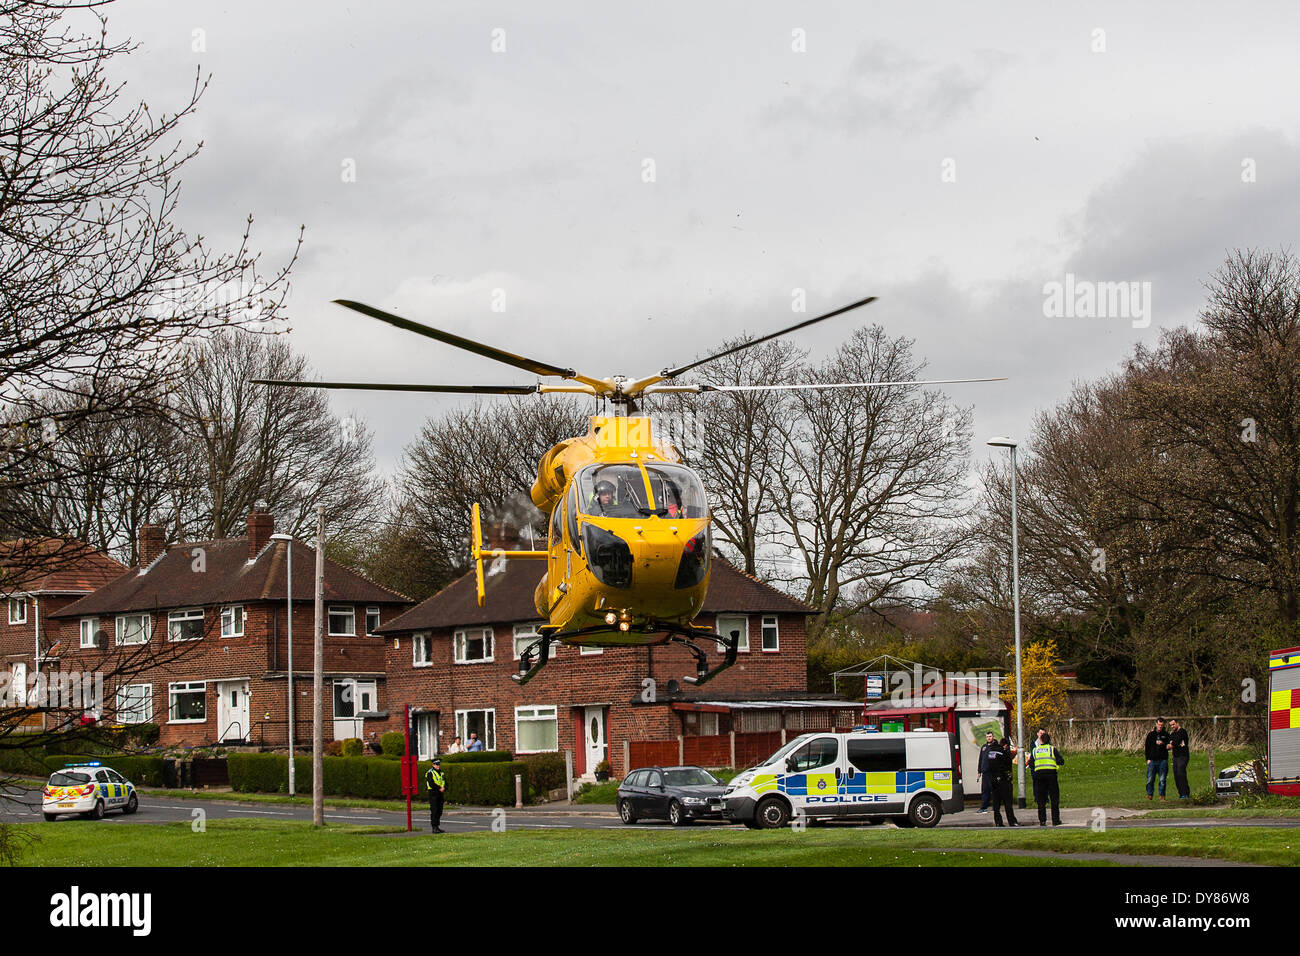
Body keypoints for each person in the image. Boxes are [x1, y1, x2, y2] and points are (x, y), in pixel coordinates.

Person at [1027, 730, 1064, 826]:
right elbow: (1061, 761)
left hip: (1039, 776)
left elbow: (1031, 763)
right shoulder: (1052, 749)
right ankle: (1055, 820)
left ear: (1041, 741)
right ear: (1049, 740)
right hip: (1051, 776)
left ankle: (1042, 821)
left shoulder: (1035, 750)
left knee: (1041, 800)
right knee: (1054, 799)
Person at [987, 736, 1021, 827]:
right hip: (1003, 780)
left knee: (996, 803)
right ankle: (1012, 821)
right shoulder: (1003, 752)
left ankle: (998, 822)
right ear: (1005, 745)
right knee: (1007, 802)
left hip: (993, 779)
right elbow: (1008, 765)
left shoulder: (991, 751)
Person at [1144, 717, 1171, 801]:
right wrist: (1148, 759)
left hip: (1163, 760)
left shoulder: (1166, 735)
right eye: (1159, 725)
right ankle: (1149, 795)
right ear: (1156, 724)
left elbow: (1169, 746)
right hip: (1152, 760)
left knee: (1162, 779)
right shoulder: (1151, 735)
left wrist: (1163, 744)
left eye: (1161, 725)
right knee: (1150, 779)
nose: (1160, 726)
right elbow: (1147, 748)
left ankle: (1162, 796)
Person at [1168, 718, 1191, 800]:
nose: (1172, 726)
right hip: (1176, 757)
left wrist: (1172, 744)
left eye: (1173, 724)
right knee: (1176, 774)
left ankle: (1186, 793)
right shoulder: (1172, 734)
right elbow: (1169, 743)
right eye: (1171, 725)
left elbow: (1176, 742)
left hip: (1183, 756)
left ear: (1177, 723)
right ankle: (1181, 794)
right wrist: (1171, 744)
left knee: (1181, 773)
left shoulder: (1182, 732)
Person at [425, 757, 446, 834]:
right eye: (436, 764)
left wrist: (444, 787)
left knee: (439, 811)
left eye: (439, 764)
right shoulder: (430, 773)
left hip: (440, 793)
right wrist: (439, 788)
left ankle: (437, 826)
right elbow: (431, 783)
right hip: (433, 793)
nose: (438, 766)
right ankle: (434, 827)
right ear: (433, 765)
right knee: (434, 810)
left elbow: (444, 781)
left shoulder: (441, 773)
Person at [976, 730, 997, 812]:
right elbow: (981, 759)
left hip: (993, 772)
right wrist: (979, 771)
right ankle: (984, 806)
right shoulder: (984, 747)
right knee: (985, 790)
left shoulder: (996, 746)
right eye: (987, 737)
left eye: (990, 736)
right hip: (985, 772)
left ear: (993, 737)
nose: (989, 738)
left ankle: (995, 806)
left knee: (994, 789)